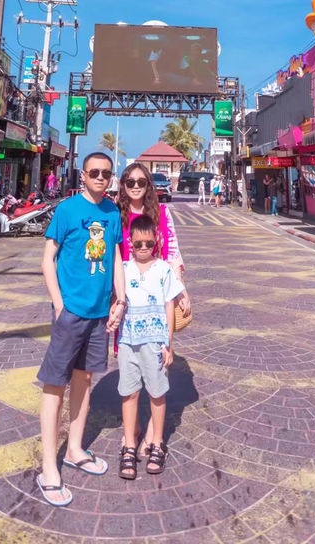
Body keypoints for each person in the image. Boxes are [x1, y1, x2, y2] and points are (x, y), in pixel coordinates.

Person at [36, 152, 125, 507]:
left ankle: (74, 448)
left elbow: (116, 257)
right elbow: (48, 258)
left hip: (99, 313)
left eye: (106, 173)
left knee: (84, 380)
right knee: (55, 382)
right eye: (95, 173)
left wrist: (121, 299)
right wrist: (59, 305)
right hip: (70, 311)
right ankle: (47, 467)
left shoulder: (113, 212)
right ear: (84, 175)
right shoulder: (67, 210)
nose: (101, 178)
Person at [117, 162, 191, 452]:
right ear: (123, 185)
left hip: (156, 303)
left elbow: (172, 251)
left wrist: (180, 289)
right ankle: (132, 430)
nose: (136, 186)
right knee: (127, 365)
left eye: (141, 182)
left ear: (149, 185)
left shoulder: (161, 214)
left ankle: (153, 431)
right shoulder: (116, 215)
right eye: (130, 181)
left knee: (158, 360)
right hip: (125, 302)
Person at [118, 214, 183, 480]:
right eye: (138, 244)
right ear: (130, 243)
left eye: (148, 243)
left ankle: (157, 442)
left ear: (156, 241)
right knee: (129, 393)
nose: (143, 248)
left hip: (155, 342)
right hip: (128, 342)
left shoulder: (164, 269)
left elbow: (170, 306)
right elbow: (115, 298)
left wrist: (168, 344)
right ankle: (129, 444)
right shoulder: (122, 269)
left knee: (157, 393)